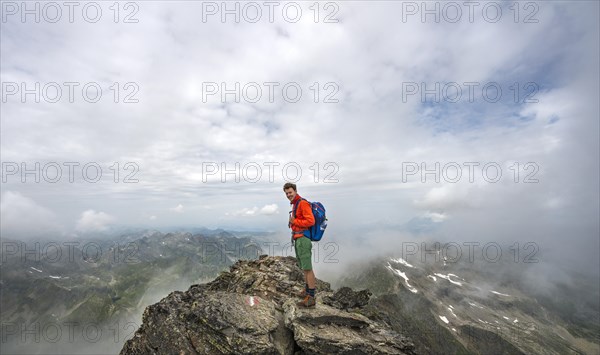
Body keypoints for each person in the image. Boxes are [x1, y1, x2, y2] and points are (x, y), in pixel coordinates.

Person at [284, 182, 317, 308]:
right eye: (287, 193)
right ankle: (307, 292)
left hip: (303, 239)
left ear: (295, 191)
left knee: (308, 268)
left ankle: (311, 297)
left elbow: (311, 221)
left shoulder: (302, 203)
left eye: (290, 192)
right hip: (298, 238)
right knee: (304, 267)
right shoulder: (295, 204)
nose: (288, 195)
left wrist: (294, 221)